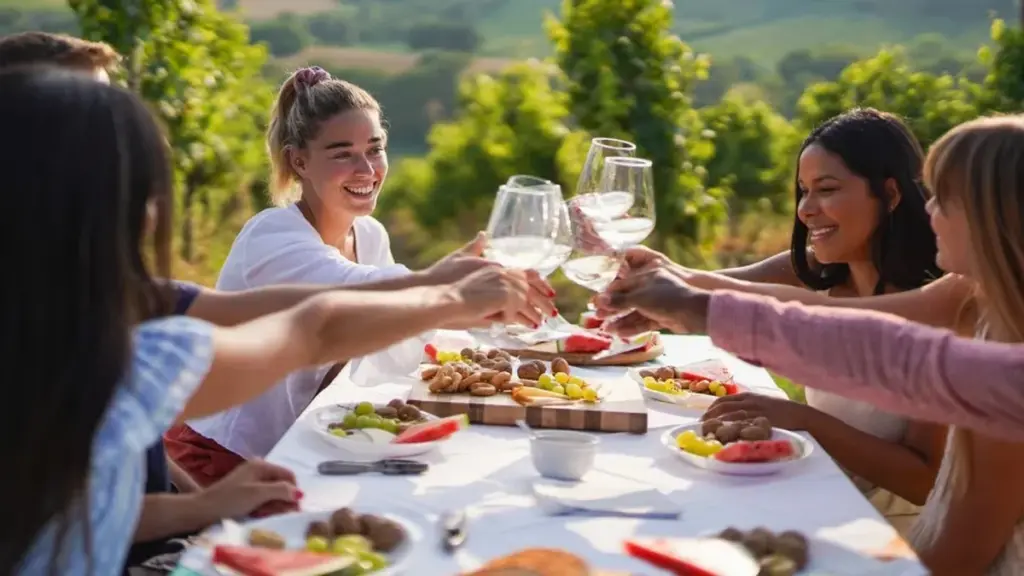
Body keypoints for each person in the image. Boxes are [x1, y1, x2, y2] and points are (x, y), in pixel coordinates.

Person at [0, 31, 540, 571]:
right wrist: (442, 293)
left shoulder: (102, 305)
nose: (152, 207)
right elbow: (311, 328)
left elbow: (86, 506)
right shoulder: (104, 349)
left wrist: (202, 509)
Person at [601, 115, 1024, 575]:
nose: (928, 210)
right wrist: (685, 290)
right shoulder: (966, 293)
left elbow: (955, 556)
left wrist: (699, 307)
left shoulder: (1003, 385)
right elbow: (835, 320)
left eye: (946, 199)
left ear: (995, 216)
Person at [167, 66, 542, 483]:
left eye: (375, 148)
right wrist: (447, 282)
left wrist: (477, 327)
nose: (366, 168)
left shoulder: (368, 233)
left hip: (298, 447)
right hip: (221, 458)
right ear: (299, 161)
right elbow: (357, 295)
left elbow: (387, 327)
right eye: (342, 153)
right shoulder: (271, 236)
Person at [656, 108, 947, 531]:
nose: (806, 210)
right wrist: (647, 272)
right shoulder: (813, 271)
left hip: (888, 533)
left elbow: (924, 481)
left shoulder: (935, 310)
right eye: (802, 191)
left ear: (890, 194)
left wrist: (803, 420)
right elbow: (708, 289)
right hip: (813, 496)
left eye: (826, 189)